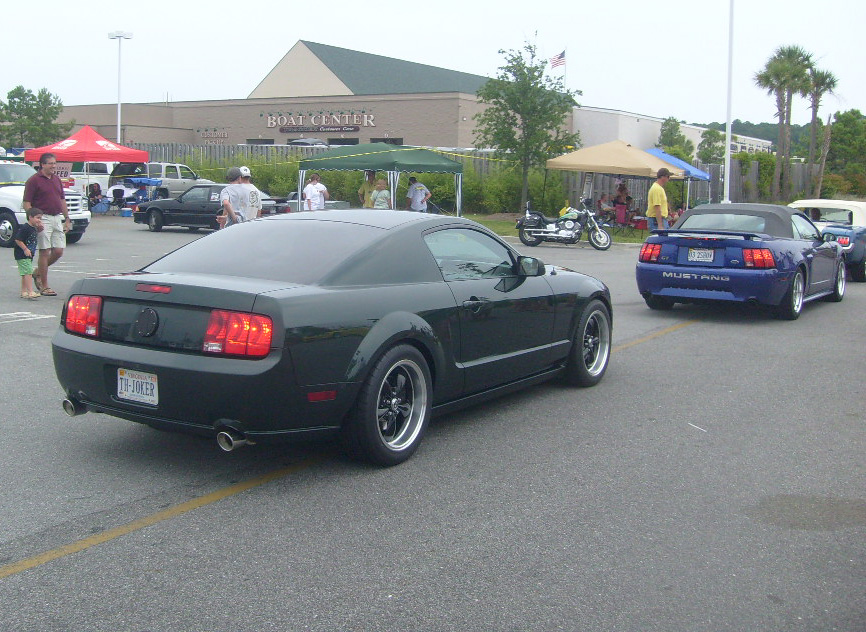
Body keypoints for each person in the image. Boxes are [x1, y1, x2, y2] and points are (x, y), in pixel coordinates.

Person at [23, 153, 69, 297]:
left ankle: (37, 273)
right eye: (50, 163)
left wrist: (67, 218)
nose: (53, 166)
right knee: (45, 251)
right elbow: (27, 204)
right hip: (43, 218)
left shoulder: (56, 179)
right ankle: (44, 285)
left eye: (54, 163)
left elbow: (62, 200)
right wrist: (35, 220)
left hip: (56, 217)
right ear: (42, 164)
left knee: (59, 251)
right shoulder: (33, 181)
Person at [13, 208, 43, 299]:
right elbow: (18, 239)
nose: (39, 220)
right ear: (30, 217)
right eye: (37, 218)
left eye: (40, 218)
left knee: (24, 273)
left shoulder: (33, 228)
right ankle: (30, 292)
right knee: (28, 272)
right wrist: (25, 249)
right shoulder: (25, 228)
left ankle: (24, 291)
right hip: (22, 254)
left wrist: (40, 227)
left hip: (29, 255)